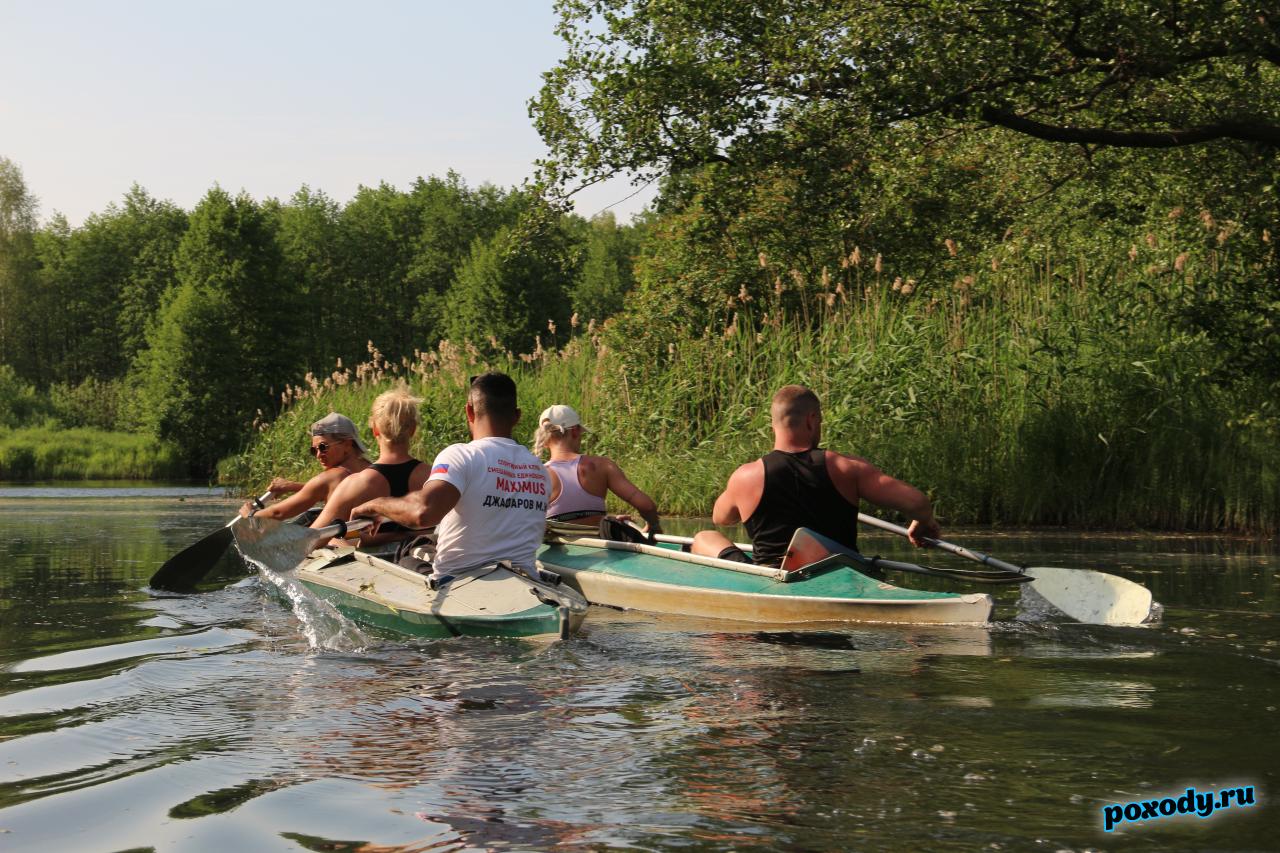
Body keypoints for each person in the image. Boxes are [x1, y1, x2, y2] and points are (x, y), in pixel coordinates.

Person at [691, 384, 940, 566]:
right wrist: (921, 523)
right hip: (839, 570)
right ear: (812, 420)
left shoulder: (746, 476)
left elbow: (721, 518)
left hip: (773, 577)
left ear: (774, 425)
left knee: (704, 537)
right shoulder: (846, 467)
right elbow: (916, 502)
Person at [350, 372, 548, 580]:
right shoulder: (539, 469)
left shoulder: (462, 455)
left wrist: (377, 505)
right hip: (524, 579)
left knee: (408, 557)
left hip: (461, 583)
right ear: (517, 417)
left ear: (469, 412)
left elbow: (422, 513)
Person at [310, 387, 430, 542]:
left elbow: (311, 539)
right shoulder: (434, 478)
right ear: (413, 430)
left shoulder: (355, 485)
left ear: (375, 430)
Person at [533, 404, 662, 535]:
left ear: (544, 440)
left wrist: (608, 520)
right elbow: (647, 506)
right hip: (599, 544)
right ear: (575, 431)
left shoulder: (537, 475)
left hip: (560, 550)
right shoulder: (602, 465)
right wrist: (654, 526)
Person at [239, 412, 370, 520]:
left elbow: (278, 513)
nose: (318, 455)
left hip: (341, 544)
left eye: (323, 447)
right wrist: (292, 486)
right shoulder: (373, 469)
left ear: (347, 444)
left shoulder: (330, 477)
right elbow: (335, 490)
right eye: (314, 450)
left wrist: (251, 514)